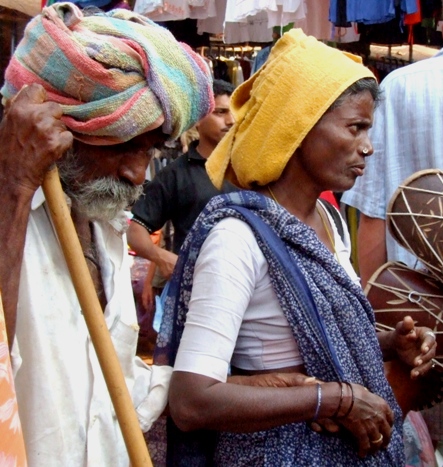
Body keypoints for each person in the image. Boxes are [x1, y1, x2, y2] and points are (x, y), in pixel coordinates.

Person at [156, 29, 438, 465]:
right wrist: (335, 400)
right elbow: (192, 400)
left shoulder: (328, 220)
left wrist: (387, 344)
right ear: (299, 125)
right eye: (356, 128)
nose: (368, 148)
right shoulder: (237, 239)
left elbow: (317, 341)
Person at [0, 3, 215, 465]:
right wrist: (15, 187)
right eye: (124, 146)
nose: (138, 174)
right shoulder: (10, 207)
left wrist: (223, 385)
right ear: (62, 129)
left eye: (150, 149)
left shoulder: (105, 219)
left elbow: (108, 381)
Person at [341, 49, 443, 453]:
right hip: (418, 336)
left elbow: (374, 215)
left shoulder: (402, 87)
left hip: (418, 322)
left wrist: (382, 327)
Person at [127, 78, 236, 282]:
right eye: (221, 112)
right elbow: (135, 230)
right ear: (198, 119)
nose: (231, 120)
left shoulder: (248, 169)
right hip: (195, 285)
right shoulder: (176, 174)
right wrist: (162, 257)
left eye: (234, 112)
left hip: (250, 285)